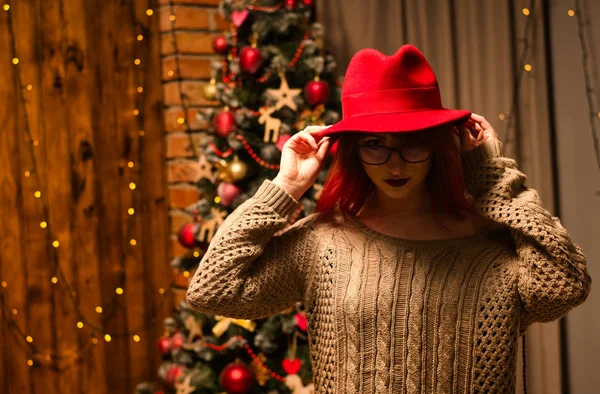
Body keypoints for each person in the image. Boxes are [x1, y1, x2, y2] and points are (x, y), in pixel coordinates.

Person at [186, 45, 591, 393]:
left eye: (412, 145)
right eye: (375, 145)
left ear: (437, 147)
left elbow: (565, 286)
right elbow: (214, 289)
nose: (394, 163)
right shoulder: (325, 243)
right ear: (353, 152)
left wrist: (493, 174)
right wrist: (286, 187)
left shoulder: (490, 240)